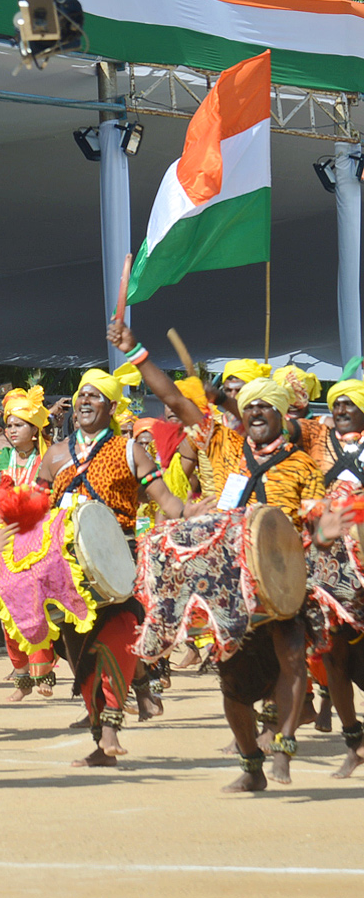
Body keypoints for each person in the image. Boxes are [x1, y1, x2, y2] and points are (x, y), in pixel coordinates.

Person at [109, 320, 324, 791]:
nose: (260, 412)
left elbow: (317, 524)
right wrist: (137, 352)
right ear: (243, 415)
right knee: (232, 686)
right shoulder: (220, 440)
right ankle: (251, 767)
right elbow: (173, 400)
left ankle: (284, 748)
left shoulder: (304, 465)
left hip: (284, 578)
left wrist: (329, 528)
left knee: (292, 658)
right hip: (229, 581)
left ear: (284, 416)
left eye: (269, 406)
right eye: (253, 407)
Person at [33, 356, 193, 769]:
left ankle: (110, 730)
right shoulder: (52, 455)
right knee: (80, 653)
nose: (85, 401)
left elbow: (166, 500)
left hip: (119, 563)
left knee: (117, 642)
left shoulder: (129, 450)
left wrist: (191, 513)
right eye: (81, 394)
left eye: (95, 396)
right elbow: (34, 509)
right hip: (66, 569)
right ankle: (102, 733)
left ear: (110, 407)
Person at [287, 376, 364, 778]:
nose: (340, 409)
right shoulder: (316, 435)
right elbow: (283, 426)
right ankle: (355, 743)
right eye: (336, 404)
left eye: (349, 403)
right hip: (325, 559)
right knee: (333, 651)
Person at [0, 386, 57, 701]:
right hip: (7, 544)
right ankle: (21, 676)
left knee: (37, 609)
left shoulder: (48, 458)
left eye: (19, 424)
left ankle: (43, 672)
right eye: (9, 424)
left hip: (40, 542)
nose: (12, 430)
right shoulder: (1, 458)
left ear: (35, 430)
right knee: (8, 607)